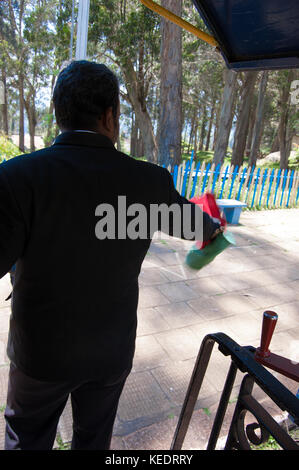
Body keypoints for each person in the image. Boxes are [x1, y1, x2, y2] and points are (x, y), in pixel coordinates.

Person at [1, 60, 221, 450]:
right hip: (110, 351)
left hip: (40, 353)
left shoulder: (18, 178)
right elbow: (197, 226)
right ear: (110, 116)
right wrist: (213, 225)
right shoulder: (148, 181)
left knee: (27, 440)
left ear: (59, 115)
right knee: (94, 440)